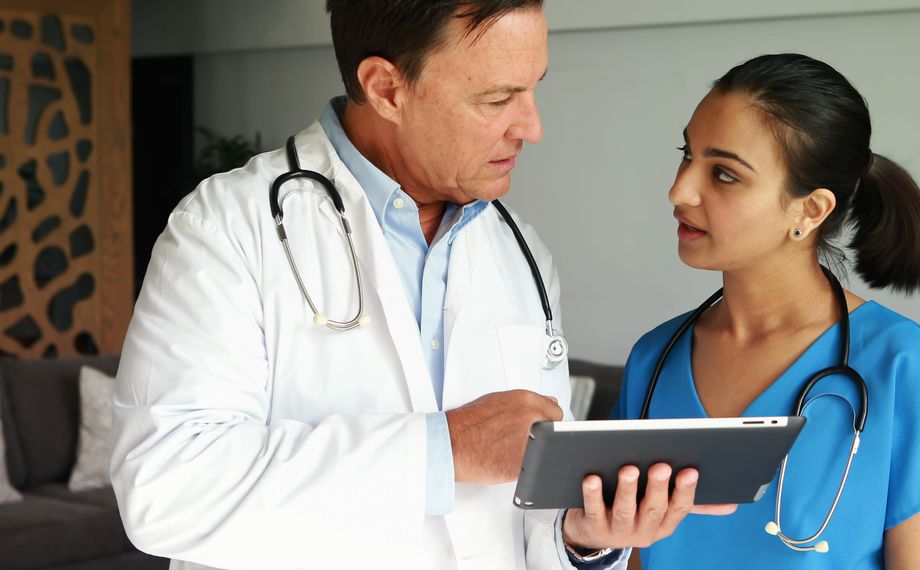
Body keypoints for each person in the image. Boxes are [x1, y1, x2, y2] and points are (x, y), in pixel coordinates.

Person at [111, 1, 703, 568]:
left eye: (532, 87)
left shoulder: (519, 251)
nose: (532, 126)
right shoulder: (226, 228)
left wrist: (581, 536)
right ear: (387, 88)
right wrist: (445, 450)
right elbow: (165, 489)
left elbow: (517, 516)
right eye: (498, 98)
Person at [609, 53, 920, 568]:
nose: (679, 190)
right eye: (687, 155)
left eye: (723, 174)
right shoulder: (654, 359)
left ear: (810, 210)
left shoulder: (901, 365)